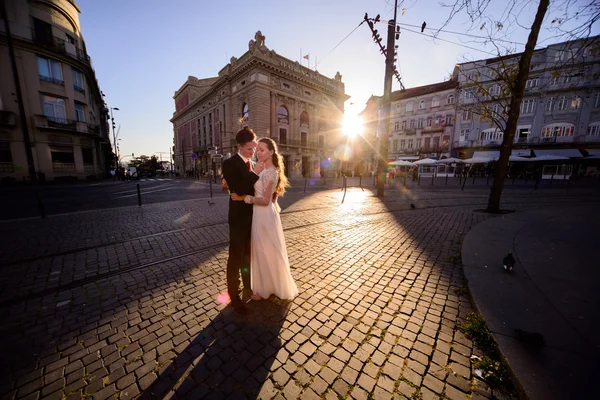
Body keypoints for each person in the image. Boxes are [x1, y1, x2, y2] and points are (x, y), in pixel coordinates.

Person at [231, 138, 299, 301]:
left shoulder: (271, 172)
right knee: (261, 251)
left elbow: (265, 200)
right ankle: (264, 287)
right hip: (258, 215)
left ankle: (267, 289)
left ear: (271, 152)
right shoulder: (260, 168)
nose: (258, 153)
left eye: (262, 150)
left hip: (265, 216)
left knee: (266, 251)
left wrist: (244, 198)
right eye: (258, 150)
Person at [221, 128, 264, 314]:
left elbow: (251, 191)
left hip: (253, 216)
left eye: (254, 148)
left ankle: (248, 286)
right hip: (238, 219)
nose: (253, 152)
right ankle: (233, 294)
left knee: (248, 255)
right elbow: (239, 188)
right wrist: (254, 173)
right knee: (236, 257)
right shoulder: (230, 163)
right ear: (239, 146)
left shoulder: (253, 163)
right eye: (249, 149)